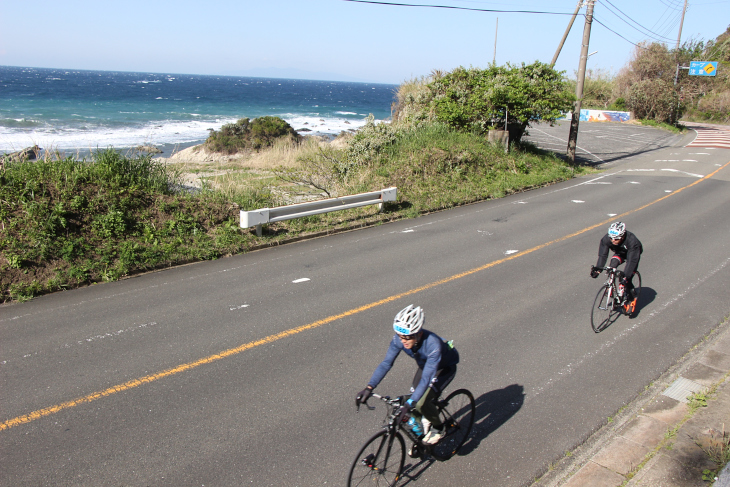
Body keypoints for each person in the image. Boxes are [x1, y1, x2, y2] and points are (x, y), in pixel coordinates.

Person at [355, 305, 459, 445]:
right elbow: (386, 363)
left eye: (407, 337)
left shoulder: (433, 345)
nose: (403, 340)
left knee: (420, 402)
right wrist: (369, 387)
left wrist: (411, 404)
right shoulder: (399, 339)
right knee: (412, 399)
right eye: (400, 335)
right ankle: (422, 433)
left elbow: (426, 379)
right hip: (425, 366)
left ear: (418, 334)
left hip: (444, 368)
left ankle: (439, 427)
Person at [590, 221, 643, 313]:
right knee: (612, 265)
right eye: (611, 238)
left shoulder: (632, 241)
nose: (613, 240)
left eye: (616, 239)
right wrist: (598, 269)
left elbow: (631, 262)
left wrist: (625, 277)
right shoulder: (606, 239)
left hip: (633, 253)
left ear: (622, 236)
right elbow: (603, 255)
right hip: (620, 252)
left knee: (626, 278)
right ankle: (611, 286)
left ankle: (631, 297)